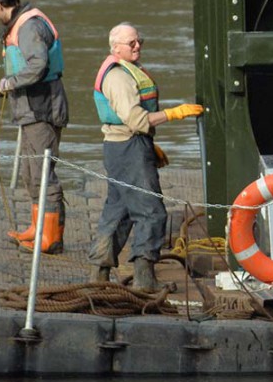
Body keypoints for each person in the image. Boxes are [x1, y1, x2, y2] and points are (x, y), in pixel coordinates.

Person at [87, 23, 203, 291]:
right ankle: (144, 280)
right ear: (116, 48)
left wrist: (149, 144)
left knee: (119, 211)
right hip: (128, 147)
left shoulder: (127, 69)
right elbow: (137, 120)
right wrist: (176, 113)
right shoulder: (118, 77)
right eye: (131, 43)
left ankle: (98, 276)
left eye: (140, 41)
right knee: (151, 211)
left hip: (122, 147)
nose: (137, 46)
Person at [0, 0, 68, 254]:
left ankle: (51, 239)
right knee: (30, 174)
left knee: (43, 174)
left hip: (43, 109)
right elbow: (20, 69)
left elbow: (38, 66)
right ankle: (37, 229)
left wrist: (3, 86)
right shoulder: (21, 24)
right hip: (28, 110)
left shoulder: (29, 27)